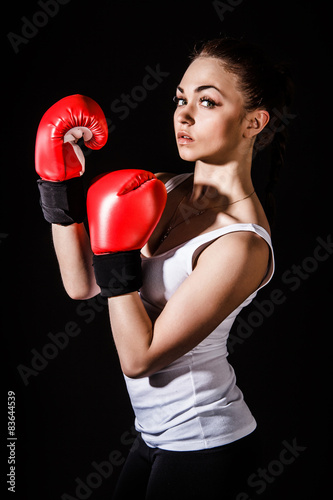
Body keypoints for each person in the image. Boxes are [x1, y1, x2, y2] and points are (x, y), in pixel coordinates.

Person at [35, 38, 294, 499]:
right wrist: (58, 186)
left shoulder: (240, 244)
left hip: (206, 446)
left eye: (207, 101)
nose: (184, 114)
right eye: (180, 98)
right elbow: (81, 284)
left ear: (254, 122)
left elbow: (141, 358)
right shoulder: (162, 189)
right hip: (153, 436)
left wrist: (116, 257)